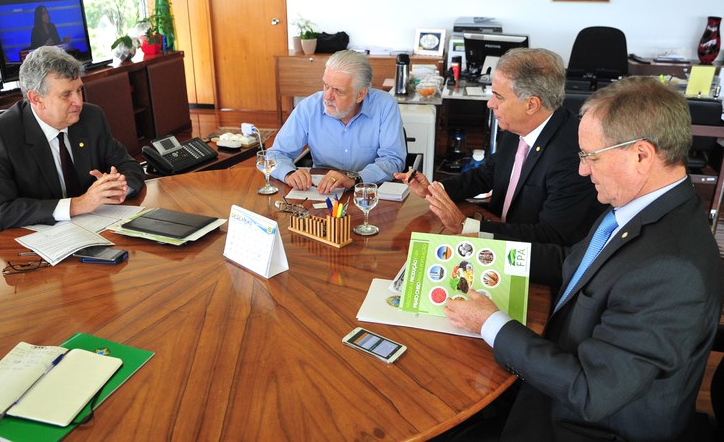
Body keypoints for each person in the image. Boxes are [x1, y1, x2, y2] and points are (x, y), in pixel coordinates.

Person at [442, 76, 723, 442]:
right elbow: (572, 264)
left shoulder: (672, 268)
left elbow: (592, 392)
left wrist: (490, 323)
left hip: (582, 424)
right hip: (552, 369)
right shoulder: (640, 207)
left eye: (591, 156)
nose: (582, 170)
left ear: (641, 155)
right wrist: (484, 252)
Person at [396, 48, 604, 246]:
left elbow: (548, 236)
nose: (490, 103)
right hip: (497, 233)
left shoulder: (572, 156)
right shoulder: (519, 126)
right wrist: (435, 190)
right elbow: (488, 173)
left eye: (499, 96)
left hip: (529, 262)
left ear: (531, 104)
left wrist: (466, 226)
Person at [0, 46, 145, 234]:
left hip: (98, 228)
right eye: (66, 95)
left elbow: (130, 166)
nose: (79, 102)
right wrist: (78, 205)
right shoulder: (0, 135)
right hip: (40, 241)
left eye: (79, 90)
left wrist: (119, 187)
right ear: (36, 98)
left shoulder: (92, 117)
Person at [268, 50, 406, 193]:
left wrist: (356, 178)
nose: (327, 96)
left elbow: (392, 159)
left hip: (369, 193)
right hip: (323, 192)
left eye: (338, 91)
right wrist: (288, 173)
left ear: (360, 94)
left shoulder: (385, 105)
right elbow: (276, 154)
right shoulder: (309, 107)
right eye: (326, 85)